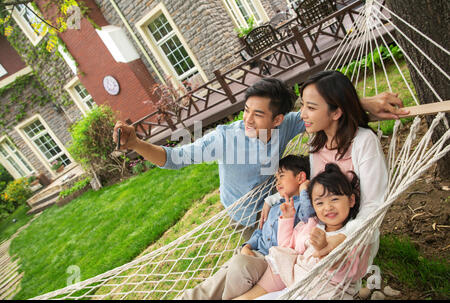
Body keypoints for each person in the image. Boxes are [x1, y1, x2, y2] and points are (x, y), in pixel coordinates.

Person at [114, 77, 406, 229]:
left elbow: (327, 109)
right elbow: (175, 159)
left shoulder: (289, 124)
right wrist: (136, 144)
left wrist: (365, 102)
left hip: (281, 204)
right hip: (243, 215)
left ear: (278, 119)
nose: (247, 120)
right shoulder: (224, 139)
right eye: (245, 111)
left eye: (257, 114)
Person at [260, 70, 389, 263]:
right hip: (314, 233)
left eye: (310, 107)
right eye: (302, 105)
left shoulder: (363, 142)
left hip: (352, 241)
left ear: (336, 112)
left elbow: (374, 206)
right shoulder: (316, 144)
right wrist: (273, 199)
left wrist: (340, 238)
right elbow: (314, 191)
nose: (302, 113)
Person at [178, 155, 313, 300]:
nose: (277, 182)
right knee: (215, 283)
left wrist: (305, 189)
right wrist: (247, 246)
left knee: (239, 265)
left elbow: (308, 215)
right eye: (276, 179)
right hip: (254, 254)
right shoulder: (274, 206)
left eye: (281, 176)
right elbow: (259, 232)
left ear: (300, 177)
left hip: (271, 261)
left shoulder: (304, 204)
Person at [234, 163, 375, 300]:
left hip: (321, 292)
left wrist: (328, 253)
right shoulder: (311, 225)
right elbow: (287, 246)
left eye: (334, 199)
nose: (327, 207)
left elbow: (350, 272)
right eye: (320, 203)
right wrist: (288, 220)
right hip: (294, 285)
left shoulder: (354, 233)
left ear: (351, 200)